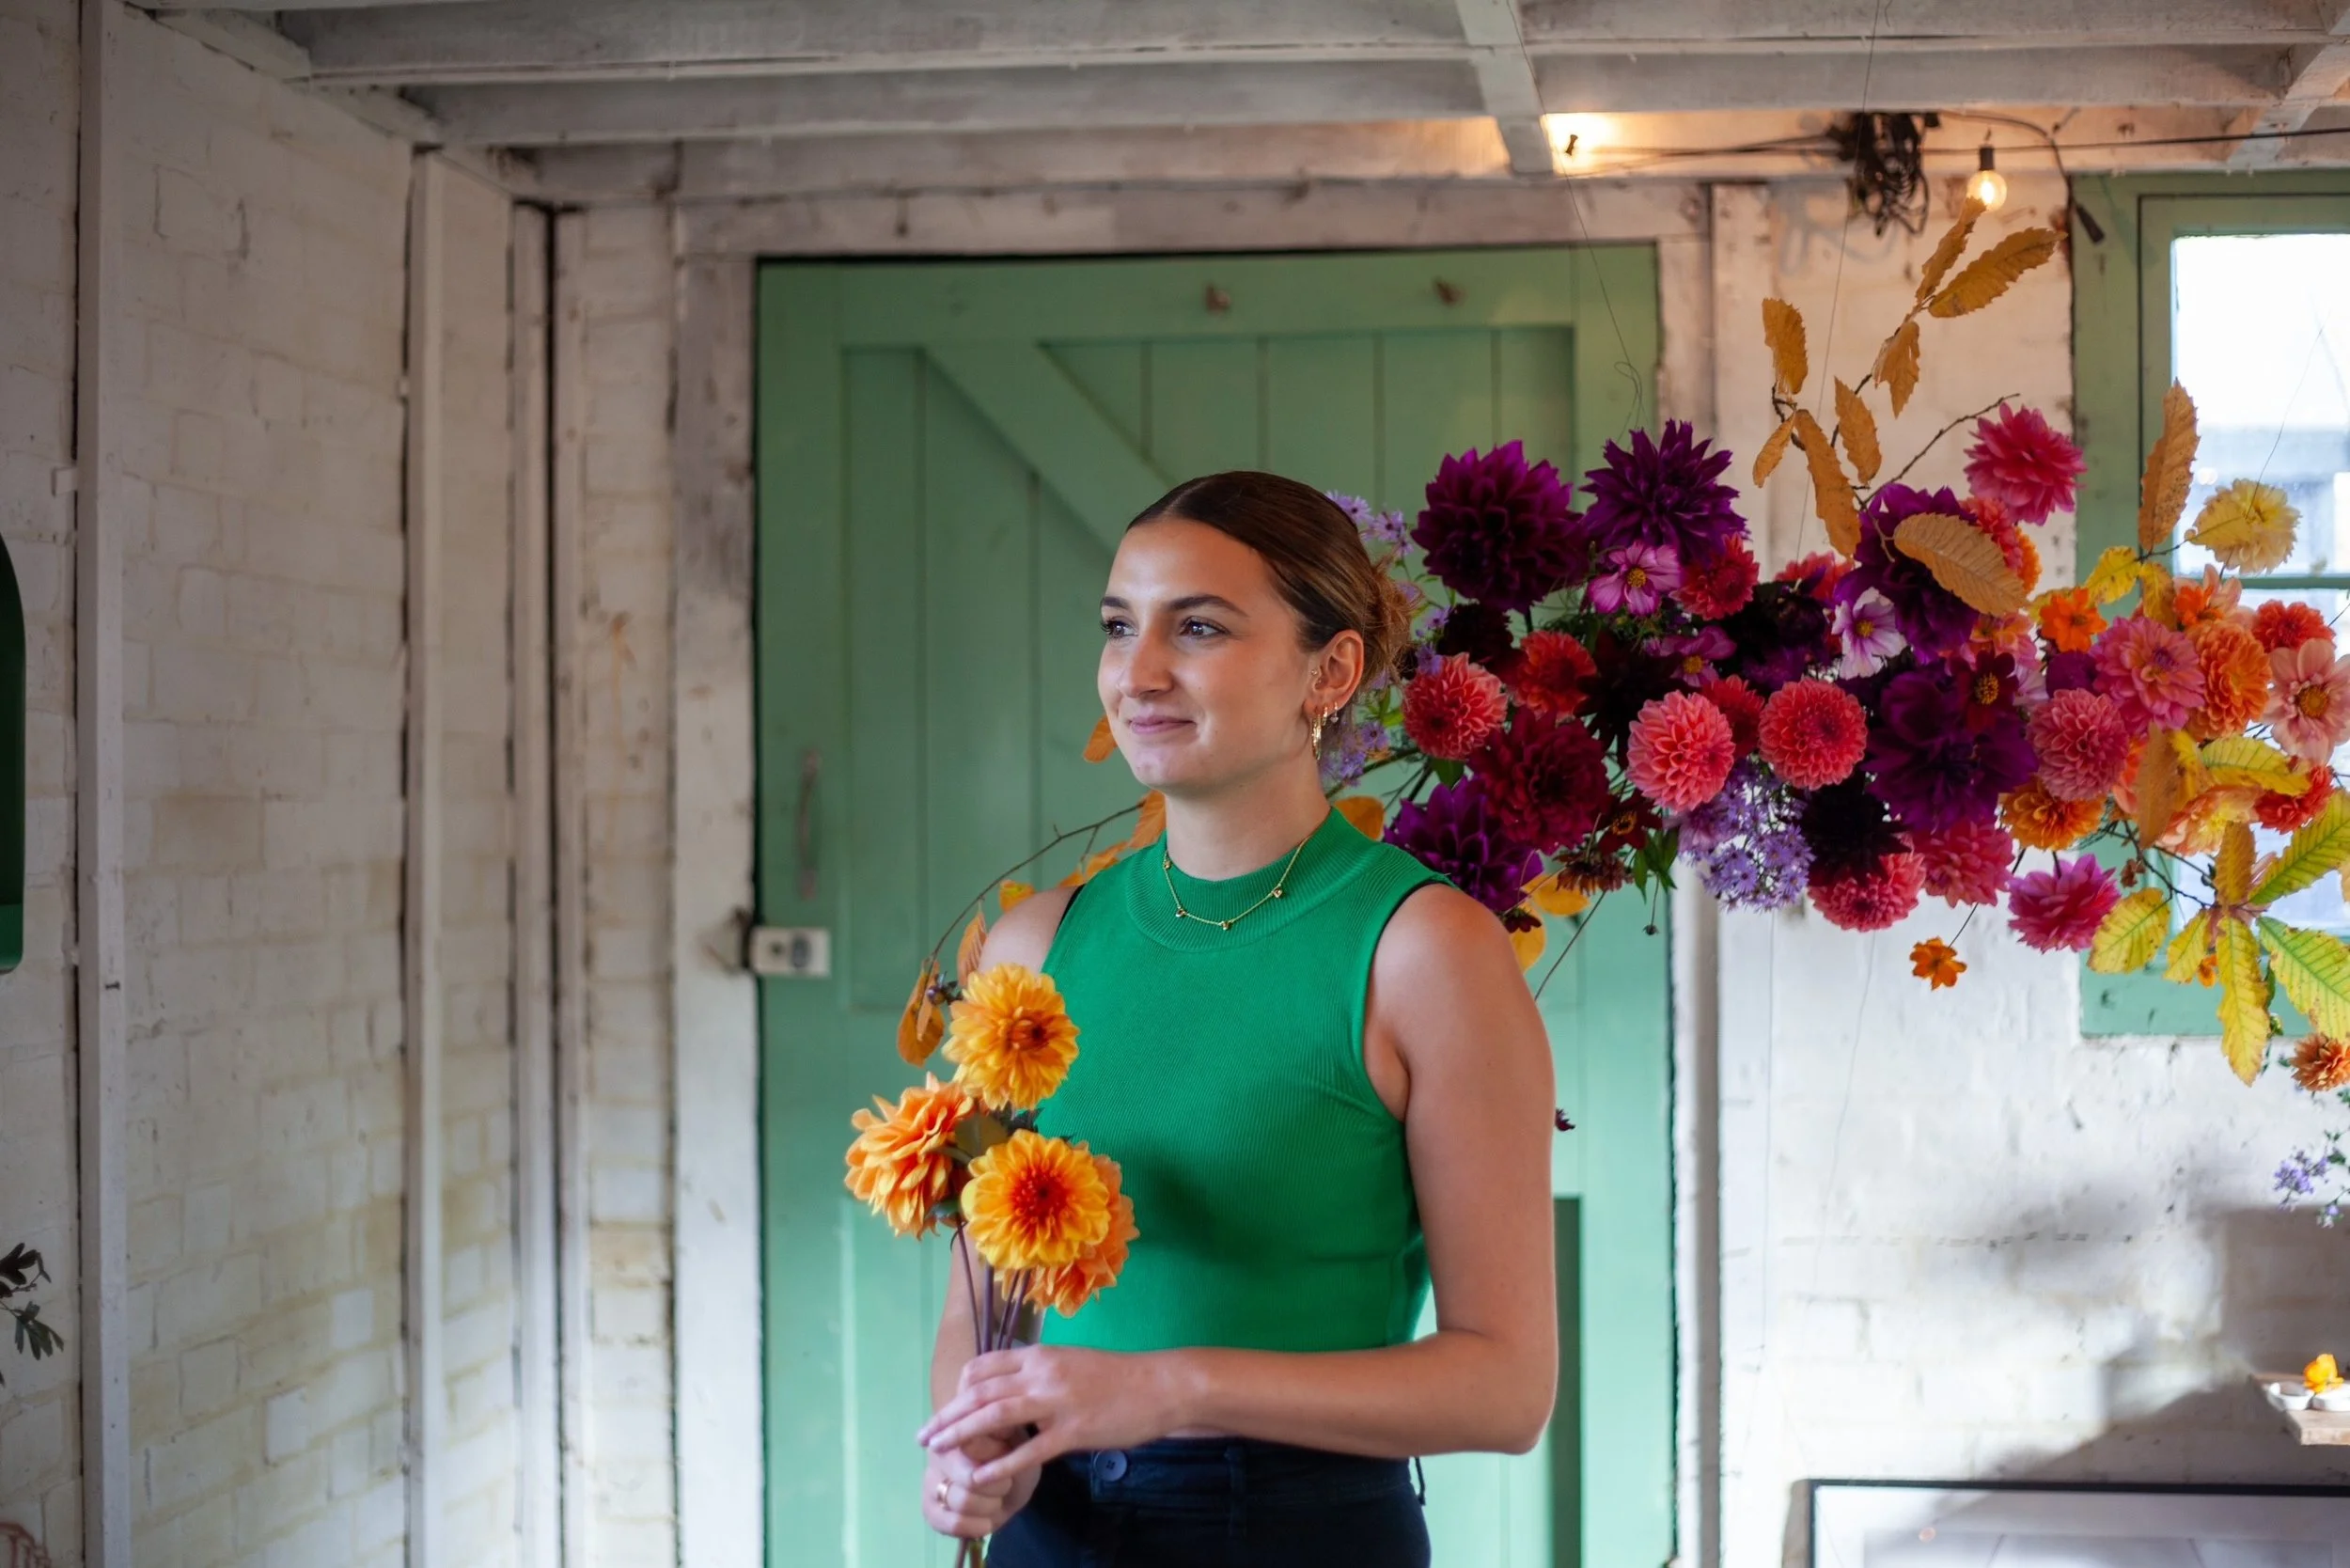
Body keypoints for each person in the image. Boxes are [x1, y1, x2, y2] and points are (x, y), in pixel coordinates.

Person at [916, 471, 1559, 1565]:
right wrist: (968, 1449)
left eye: (1199, 627)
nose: (1139, 673)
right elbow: (979, 1309)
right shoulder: (1033, 946)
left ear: (1331, 670)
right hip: (1051, 1532)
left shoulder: (1423, 951)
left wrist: (1166, 1392)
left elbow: (1504, 1389)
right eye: (1119, 628)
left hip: (1294, 1533)